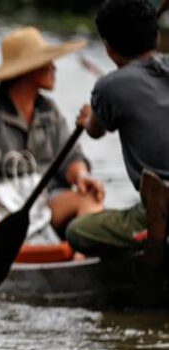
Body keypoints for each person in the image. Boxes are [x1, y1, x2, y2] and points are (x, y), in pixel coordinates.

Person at [0, 27, 105, 250]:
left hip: (45, 199)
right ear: (28, 71)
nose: (55, 68)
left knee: (89, 201)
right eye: (47, 63)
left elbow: (70, 156)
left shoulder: (48, 111)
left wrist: (81, 176)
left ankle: (79, 256)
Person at [67, 0, 169, 255]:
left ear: (108, 48)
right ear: (157, 37)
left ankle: (149, 241)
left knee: (76, 231)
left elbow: (95, 130)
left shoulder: (109, 86)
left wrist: (89, 116)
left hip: (159, 211)